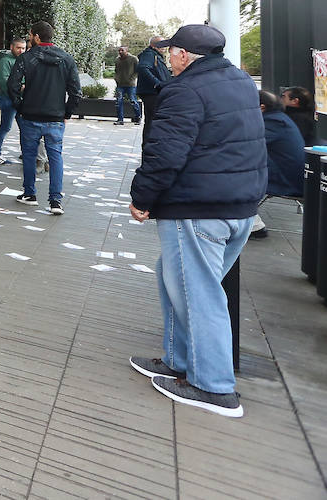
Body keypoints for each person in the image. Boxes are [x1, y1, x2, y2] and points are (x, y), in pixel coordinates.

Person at [127, 24, 264, 418]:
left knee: (198, 293)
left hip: (198, 207)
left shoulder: (184, 90)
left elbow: (165, 151)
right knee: (175, 277)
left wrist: (142, 198)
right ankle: (179, 361)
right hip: (237, 207)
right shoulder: (239, 81)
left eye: (172, 52)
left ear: (184, 56)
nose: (168, 58)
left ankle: (215, 386)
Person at [8, 20, 82, 215]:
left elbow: (12, 85)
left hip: (30, 115)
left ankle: (30, 194)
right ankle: (55, 201)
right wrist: (66, 113)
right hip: (55, 118)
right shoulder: (66, 59)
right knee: (55, 157)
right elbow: (76, 92)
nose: (29, 38)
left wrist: (20, 107)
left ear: (37, 37)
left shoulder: (26, 58)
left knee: (30, 156)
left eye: (31, 35)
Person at [249, 90, 307, 239]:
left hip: (287, 180)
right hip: (288, 174)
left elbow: (246, 140)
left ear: (261, 107)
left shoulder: (273, 122)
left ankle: (254, 225)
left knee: (237, 172)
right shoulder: (278, 119)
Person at [0, 37, 27, 164]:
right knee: (5, 127)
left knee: (24, 127)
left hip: (18, 99)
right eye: (18, 48)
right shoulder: (5, 60)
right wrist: (21, 88)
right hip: (8, 98)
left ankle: (25, 153)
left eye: (23, 48)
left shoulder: (22, 60)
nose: (21, 50)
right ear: (12, 47)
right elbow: (3, 82)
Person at [136, 35, 172, 150]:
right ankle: (148, 151)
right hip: (152, 94)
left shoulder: (155, 55)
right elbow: (142, 68)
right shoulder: (149, 54)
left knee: (153, 122)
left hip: (154, 93)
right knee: (152, 123)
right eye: (161, 44)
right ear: (153, 45)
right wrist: (157, 83)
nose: (164, 47)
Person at [114, 45, 142, 126]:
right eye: (119, 50)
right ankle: (120, 120)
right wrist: (116, 78)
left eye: (122, 50)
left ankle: (138, 117)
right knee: (118, 102)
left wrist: (132, 78)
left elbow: (138, 70)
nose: (120, 52)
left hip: (131, 85)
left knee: (133, 101)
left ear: (127, 50)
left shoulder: (133, 59)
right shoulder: (117, 60)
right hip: (120, 85)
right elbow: (116, 70)